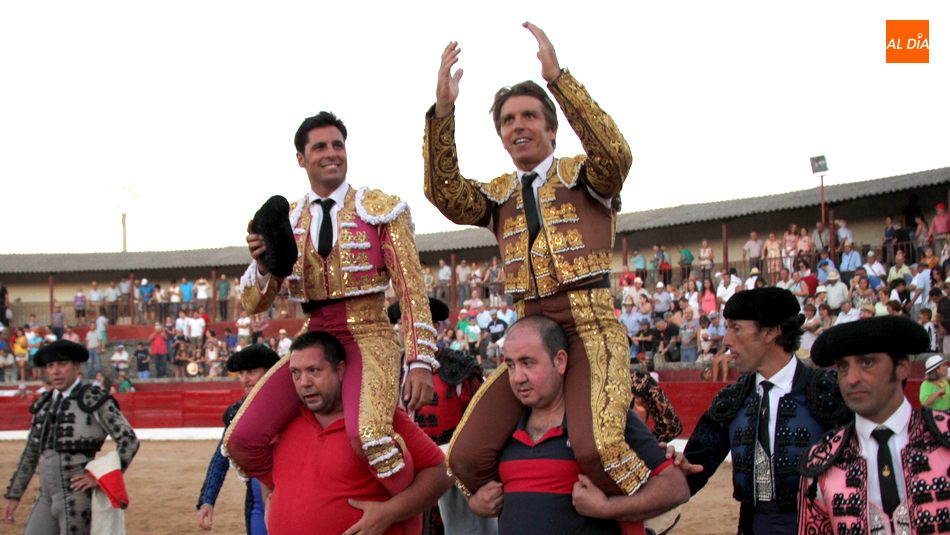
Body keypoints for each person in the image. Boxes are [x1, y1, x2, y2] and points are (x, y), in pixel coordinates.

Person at [425, 22, 649, 498]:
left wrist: (558, 80)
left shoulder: (584, 176)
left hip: (590, 329)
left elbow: (617, 155)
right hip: (529, 335)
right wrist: (444, 112)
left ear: (551, 127)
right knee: (464, 457)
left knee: (598, 450)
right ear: (502, 137)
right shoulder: (498, 195)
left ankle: (649, 503)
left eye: (529, 116)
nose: (518, 125)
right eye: (508, 120)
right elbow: (443, 192)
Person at [227, 110, 438, 496]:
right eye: (320, 146)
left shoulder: (381, 209)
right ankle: (305, 495)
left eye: (338, 145)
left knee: (371, 437)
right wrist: (262, 264)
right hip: (313, 339)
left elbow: (411, 291)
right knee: (242, 438)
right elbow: (254, 303)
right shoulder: (285, 221)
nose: (332, 153)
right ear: (301, 159)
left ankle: (404, 515)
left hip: (371, 334)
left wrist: (420, 361)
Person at [465, 316, 689, 533]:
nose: (517, 377)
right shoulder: (502, 428)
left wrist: (608, 508)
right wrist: (476, 504)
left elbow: (675, 487)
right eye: (511, 365)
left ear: (559, 361)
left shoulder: (603, 418)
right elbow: (486, 492)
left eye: (528, 363)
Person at [232, 331, 451, 535]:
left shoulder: (377, 419)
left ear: (340, 370)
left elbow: (441, 473)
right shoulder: (283, 424)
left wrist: (389, 512)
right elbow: (272, 484)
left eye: (314, 371)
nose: (304, 383)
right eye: (296, 374)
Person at [682, 288, 852, 534]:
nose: (727, 340)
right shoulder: (732, 400)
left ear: (772, 331)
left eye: (736, 328)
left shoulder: (829, 392)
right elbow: (689, 473)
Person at [798, 316, 949, 534]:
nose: (851, 379)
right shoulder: (821, 460)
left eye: (867, 363)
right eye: (843, 367)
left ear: (902, 368)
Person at [3, 340, 139, 534]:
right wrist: (14, 494)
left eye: (62, 364)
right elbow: (31, 452)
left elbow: (129, 440)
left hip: (76, 497)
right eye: (50, 366)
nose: (56, 371)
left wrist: (99, 478)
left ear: (76, 366)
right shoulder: (45, 402)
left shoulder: (93, 398)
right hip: (46, 495)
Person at [197, 344, 280, 535]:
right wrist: (207, 500)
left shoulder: (295, 406)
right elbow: (221, 457)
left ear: (270, 372)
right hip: (256, 502)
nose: (245, 380)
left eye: (251, 372)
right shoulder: (237, 412)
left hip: (294, 497)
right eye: (241, 373)